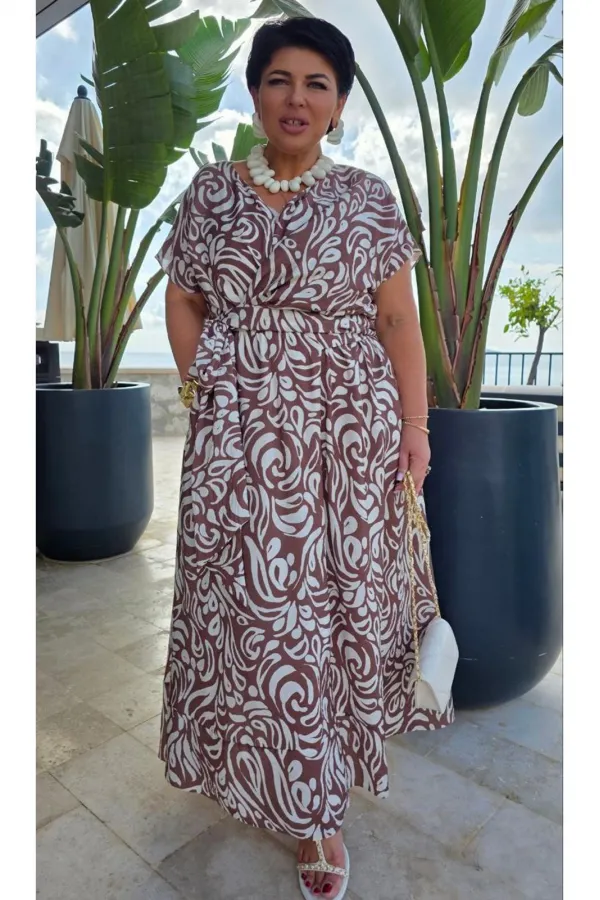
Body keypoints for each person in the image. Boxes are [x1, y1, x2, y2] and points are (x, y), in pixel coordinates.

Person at [156, 16, 453, 900]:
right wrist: (207, 381)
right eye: (279, 79)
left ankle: (318, 810)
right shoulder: (212, 194)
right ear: (255, 92)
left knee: (325, 612)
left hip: (347, 435)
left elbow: (398, 320)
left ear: (340, 103)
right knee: (249, 607)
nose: (297, 98)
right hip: (238, 434)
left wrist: (415, 426)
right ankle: (256, 765)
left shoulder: (367, 199)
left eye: (317, 83)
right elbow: (184, 298)